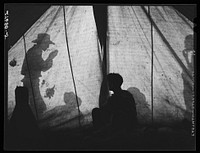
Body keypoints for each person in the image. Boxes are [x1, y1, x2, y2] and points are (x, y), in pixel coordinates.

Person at [21, 33, 58, 116]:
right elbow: (43, 67)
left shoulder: (34, 50)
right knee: (37, 105)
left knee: (34, 102)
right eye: (47, 44)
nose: (48, 46)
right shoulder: (36, 51)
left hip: (30, 79)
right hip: (31, 80)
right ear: (41, 43)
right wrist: (50, 57)